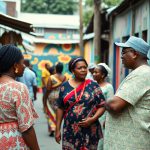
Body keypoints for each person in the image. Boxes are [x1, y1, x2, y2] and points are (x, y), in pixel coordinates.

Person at [103, 36, 150, 150]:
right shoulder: (139, 73)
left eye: (124, 52)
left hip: (131, 144)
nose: (121, 56)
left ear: (134, 54)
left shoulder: (142, 74)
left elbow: (115, 105)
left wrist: (103, 103)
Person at [55, 57, 105, 150]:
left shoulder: (93, 85)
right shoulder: (64, 86)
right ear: (72, 70)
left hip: (91, 130)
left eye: (85, 67)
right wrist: (57, 129)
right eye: (79, 68)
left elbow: (102, 105)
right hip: (70, 130)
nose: (83, 70)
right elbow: (60, 108)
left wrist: (92, 119)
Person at [0, 44, 39, 149]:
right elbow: (27, 128)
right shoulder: (18, 88)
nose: (24, 66)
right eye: (22, 62)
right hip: (12, 142)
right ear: (15, 65)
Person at [93, 63, 114, 150]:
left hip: (102, 118)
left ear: (103, 75)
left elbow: (110, 104)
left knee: (100, 141)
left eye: (96, 72)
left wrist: (107, 119)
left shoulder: (108, 87)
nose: (93, 74)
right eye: (93, 72)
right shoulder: (92, 85)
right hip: (92, 116)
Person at [44, 62, 66, 137]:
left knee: (50, 112)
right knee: (59, 113)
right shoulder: (65, 77)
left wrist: (45, 98)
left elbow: (48, 88)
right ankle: (58, 128)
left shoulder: (51, 77)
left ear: (56, 69)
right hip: (61, 97)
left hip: (52, 97)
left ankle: (52, 128)